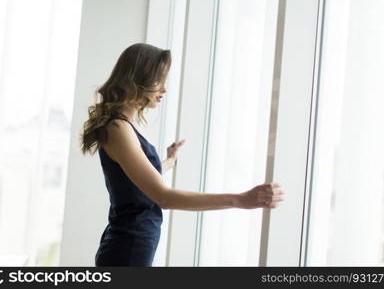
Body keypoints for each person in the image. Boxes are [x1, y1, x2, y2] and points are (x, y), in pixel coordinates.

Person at [80, 43, 285, 267]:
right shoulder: (118, 129)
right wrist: (240, 199)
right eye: (159, 80)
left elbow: (136, 179)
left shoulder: (124, 127)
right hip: (128, 249)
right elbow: (163, 197)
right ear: (138, 79)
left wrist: (169, 161)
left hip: (132, 245)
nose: (164, 89)